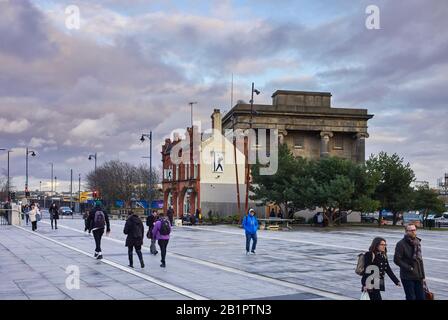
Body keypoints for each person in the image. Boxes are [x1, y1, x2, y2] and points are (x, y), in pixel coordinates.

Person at [394, 223, 426, 300]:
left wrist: (423, 276)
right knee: (411, 297)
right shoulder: (401, 244)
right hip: (407, 276)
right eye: (411, 230)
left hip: (418, 276)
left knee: (421, 297)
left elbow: (420, 260)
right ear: (406, 232)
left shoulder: (417, 243)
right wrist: (409, 268)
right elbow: (397, 260)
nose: (413, 232)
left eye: (414, 230)